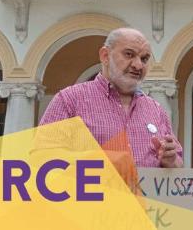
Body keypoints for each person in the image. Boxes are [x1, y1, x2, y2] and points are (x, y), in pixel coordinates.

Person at [39, 27, 183, 168]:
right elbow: (41, 157)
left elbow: (178, 162)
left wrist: (170, 160)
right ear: (105, 56)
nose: (138, 65)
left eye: (144, 59)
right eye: (129, 54)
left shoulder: (155, 110)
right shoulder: (69, 100)